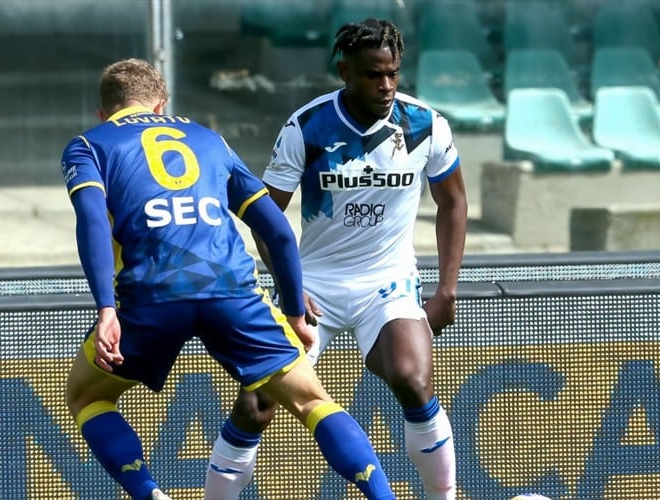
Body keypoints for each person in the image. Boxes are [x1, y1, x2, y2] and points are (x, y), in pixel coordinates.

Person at [61, 58, 396, 500]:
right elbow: (275, 229)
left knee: (87, 397)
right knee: (313, 401)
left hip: (151, 295)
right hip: (233, 290)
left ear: (104, 113)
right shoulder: (209, 140)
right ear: (161, 105)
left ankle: (149, 493)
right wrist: (294, 310)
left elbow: (91, 223)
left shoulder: (89, 145)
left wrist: (107, 309)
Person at [205, 18, 467, 500]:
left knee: (412, 379)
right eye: (372, 74)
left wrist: (447, 288)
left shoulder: (424, 124)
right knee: (258, 402)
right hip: (314, 285)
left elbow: (452, 202)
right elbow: (266, 218)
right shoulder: (307, 126)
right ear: (344, 70)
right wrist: (289, 286)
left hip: (387, 283)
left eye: (393, 74)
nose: (386, 86)